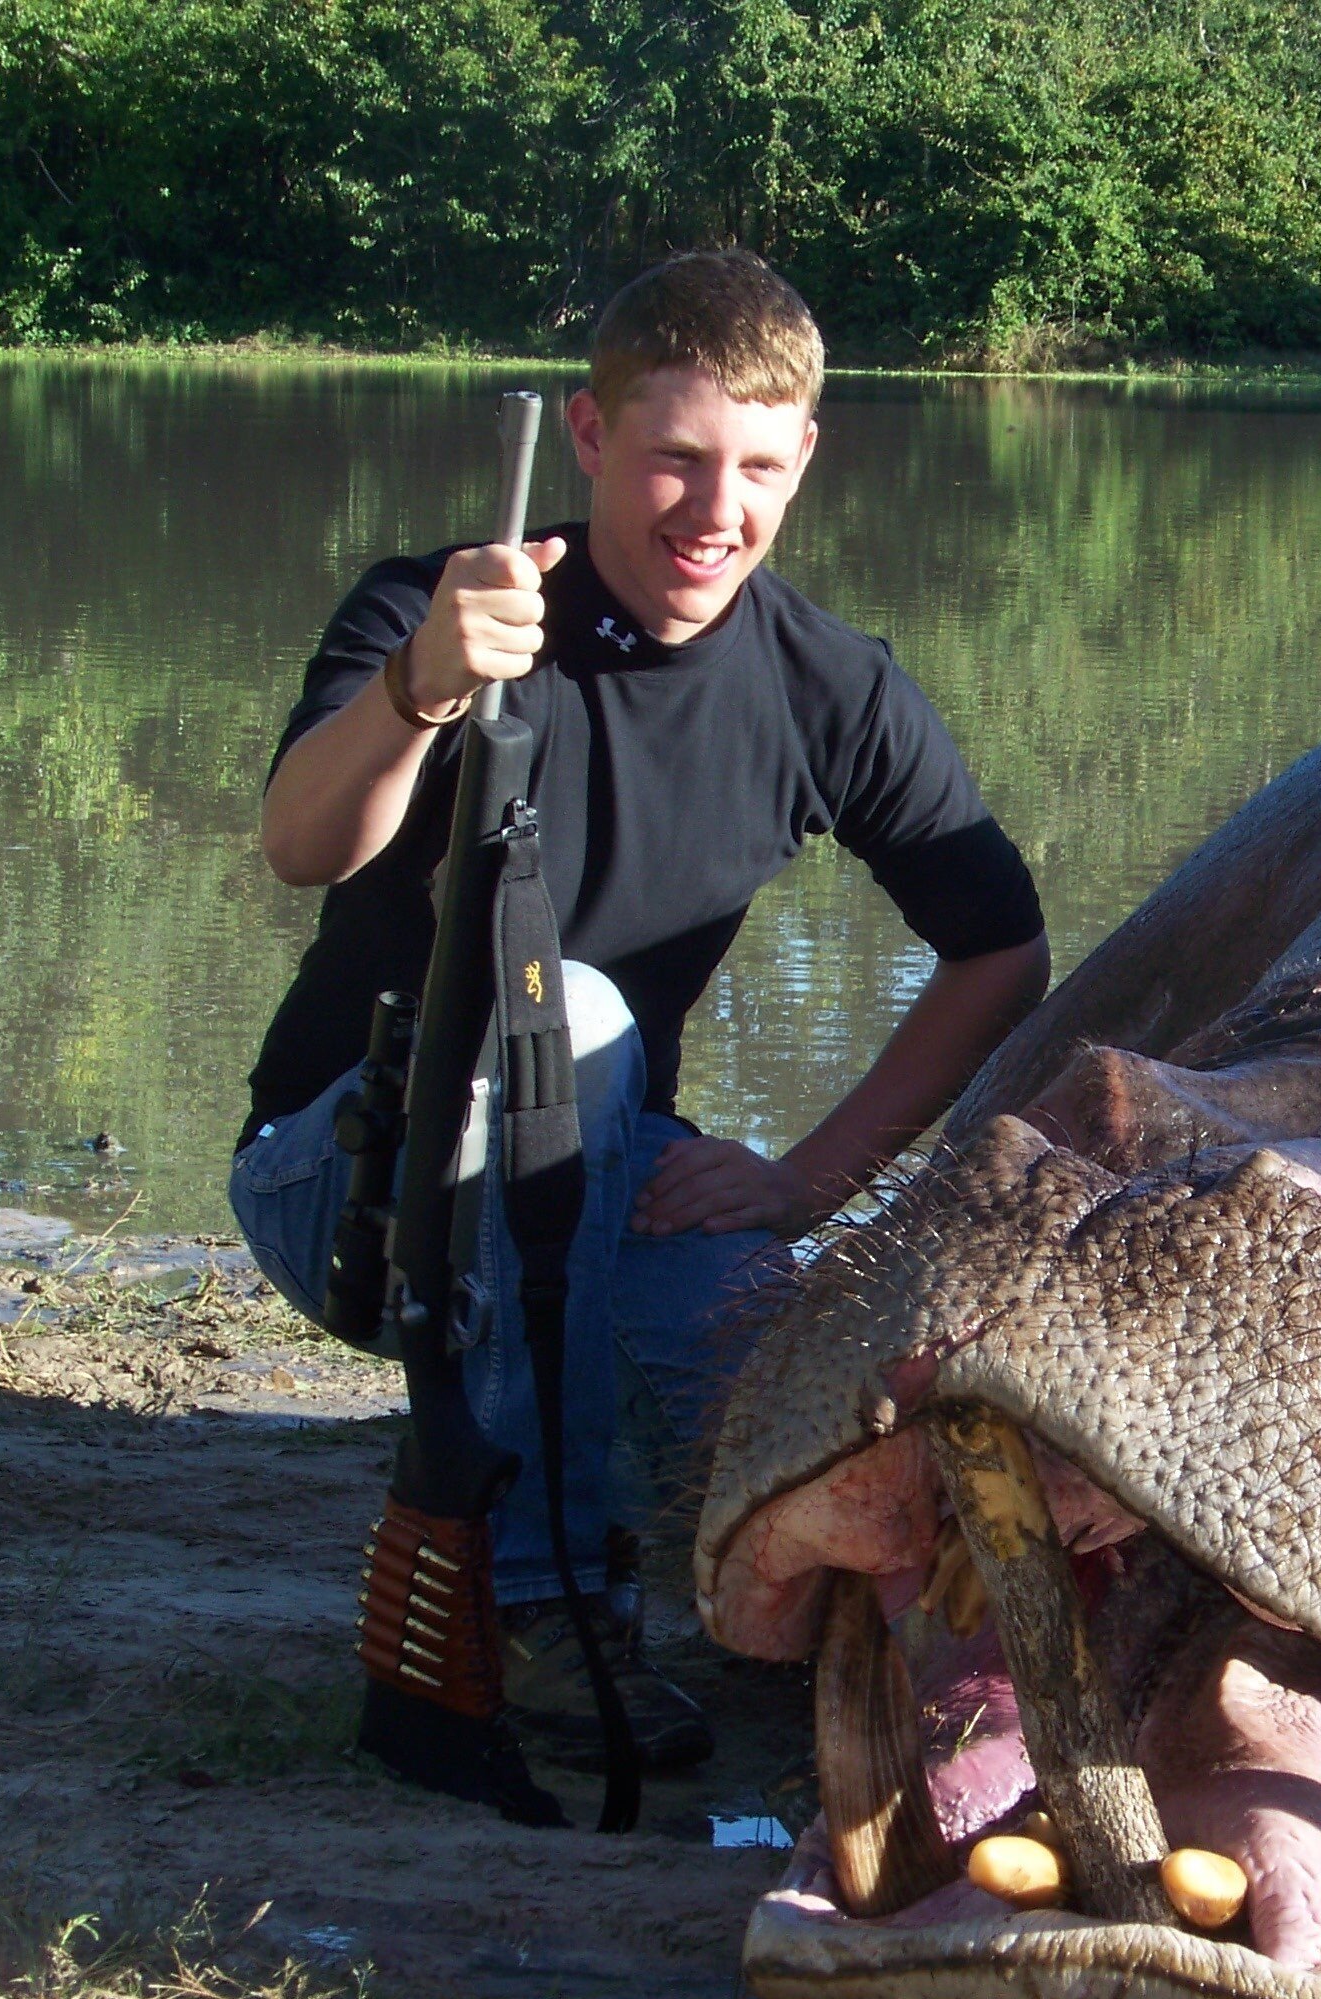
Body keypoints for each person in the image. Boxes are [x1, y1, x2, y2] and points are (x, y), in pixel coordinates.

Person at [231, 252, 1049, 1783]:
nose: (711, 509)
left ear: (806, 457)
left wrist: (811, 1182)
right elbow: (299, 850)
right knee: (576, 1006)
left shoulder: (835, 689)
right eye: (673, 458)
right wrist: (416, 689)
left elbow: (999, 952)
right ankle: (546, 1609)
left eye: (752, 466)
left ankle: (875, 1653)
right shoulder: (438, 605)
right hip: (347, 1173)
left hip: (610, 1179)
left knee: (773, 1373)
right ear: (595, 441)